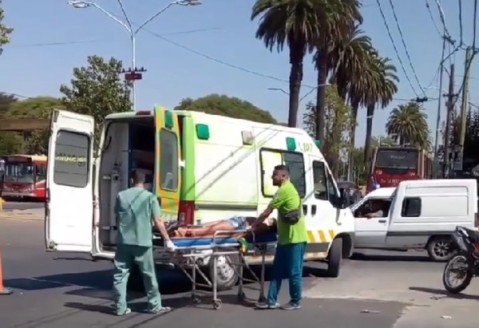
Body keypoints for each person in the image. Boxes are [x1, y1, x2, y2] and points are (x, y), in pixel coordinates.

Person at [112, 170, 175, 316]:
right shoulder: (150, 197)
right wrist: (167, 239)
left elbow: (117, 217)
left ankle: (120, 307)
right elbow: (158, 221)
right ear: (144, 182)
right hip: (143, 242)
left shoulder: (121, 196)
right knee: (148, 275)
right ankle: (154, 306)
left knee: (120, 275)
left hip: (124, 242)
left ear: (131, 180)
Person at [253, 165, 308, 310]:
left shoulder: (284, 190)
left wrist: (253, 226)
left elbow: (267, 212)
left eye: (275, 175)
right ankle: (271, 300)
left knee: (294, 271)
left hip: (295, 238)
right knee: (277, 270)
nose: (272, 177)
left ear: (283, 176)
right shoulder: (287, 189)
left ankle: (295, 301)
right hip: (285, 238)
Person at [171, 216, 276, 238]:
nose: (271, 219)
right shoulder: (262, 222)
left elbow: (252, 231)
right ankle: (190, 228)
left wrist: (241, 234)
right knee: (211, 226)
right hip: (236, 221)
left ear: (272, 226)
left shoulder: (264, 226)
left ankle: (184, 232)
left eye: (273, 221)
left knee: (211, 230)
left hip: (237, 225)